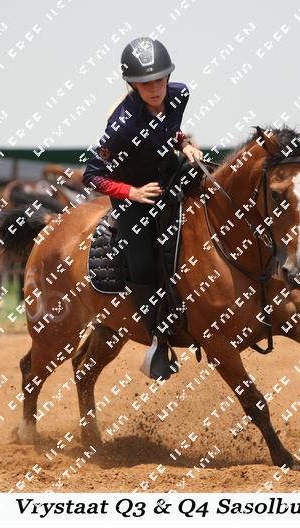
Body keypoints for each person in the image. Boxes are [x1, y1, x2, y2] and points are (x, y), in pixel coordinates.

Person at [83, 37, 203, 381]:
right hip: (133, 195)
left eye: (160, 79)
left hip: (166, 176)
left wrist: (185, 143)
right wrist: (131, 192)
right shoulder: (120, 125)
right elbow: (92, 176)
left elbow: (167, 131)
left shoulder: (180, 94)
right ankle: (158, 340)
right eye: (145, 83)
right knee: (143, 262)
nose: (155, 88)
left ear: (169, 77)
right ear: (132, 85)